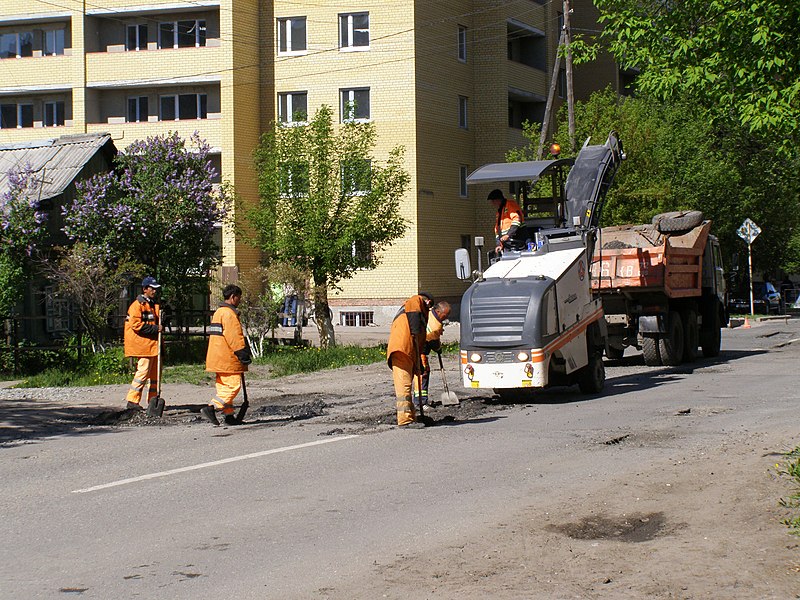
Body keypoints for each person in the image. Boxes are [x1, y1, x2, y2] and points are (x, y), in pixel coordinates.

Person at [201, 284, 252, 426]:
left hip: (217, 357)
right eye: (238, 298)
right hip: (228, 357)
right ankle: (212, 407)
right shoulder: (229, 314)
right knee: (233, 386)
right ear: (233, 297)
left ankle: (229, 415)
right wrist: (242, 353)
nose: (239, 300)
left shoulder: (218, 312)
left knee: (223, 387)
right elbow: (234, 337)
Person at [387, 292, 434, 429]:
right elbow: (414, 306)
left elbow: (419, 340)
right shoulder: (415, 301)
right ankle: (405, 420)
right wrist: (414, 330)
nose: (429, 309)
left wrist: (418, 363)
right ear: (428, 301)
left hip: (408, 350)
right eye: (429, 305)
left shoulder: (418, 314)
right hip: (401, 349)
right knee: (404, 387)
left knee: (407, 385)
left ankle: (412, 416)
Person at [123, 276, 162, 411]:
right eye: (153, 289)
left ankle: (153, 400)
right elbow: (136, 325)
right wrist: (156, 329)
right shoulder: (137, 305)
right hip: (143, 345)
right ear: (145, 289)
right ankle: (132, 400)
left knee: (155, 375)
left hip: (152, 345)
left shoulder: (152, 305)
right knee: (143, 372)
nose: (155, 291)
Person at [413, 301, 452, 412]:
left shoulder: (429, 313)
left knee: (421, 374)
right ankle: (420, 402)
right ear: (438, 311)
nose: (446, 317)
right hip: (419, 350)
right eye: (445, 315)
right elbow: (434, 343)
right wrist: (439, 349)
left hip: (418, 347)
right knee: (423, 374)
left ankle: (420, 400)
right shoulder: (435, 325)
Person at [488, 188, 524, 254]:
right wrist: (499, 245)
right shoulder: (500, 212)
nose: (492, 203)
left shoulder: (510, 205)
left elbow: (517, 220)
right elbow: (497, 230)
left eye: (493, 201)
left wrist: (508, 235)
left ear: (498, 199)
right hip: (508, 244)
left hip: (517, 240)